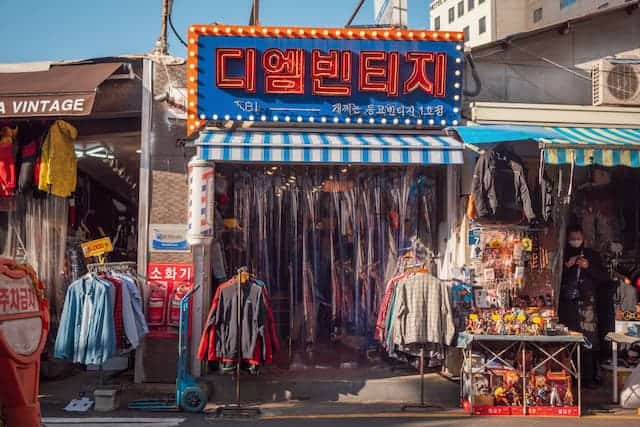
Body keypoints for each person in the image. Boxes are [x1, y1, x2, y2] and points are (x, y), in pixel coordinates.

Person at [559, 224, 608, 388]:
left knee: (589, 339)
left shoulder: (592, 255)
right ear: (567, 239)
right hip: (568, 304)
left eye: (578, 238)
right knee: (571, 340)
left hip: (587, 304)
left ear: (583, 238)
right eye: (572, 239)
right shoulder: (563, 255)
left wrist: (589, 267)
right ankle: (572, 378)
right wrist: (567, 266)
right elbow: (554, 278)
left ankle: (589, 378)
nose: (575, 241)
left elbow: (603, 277)